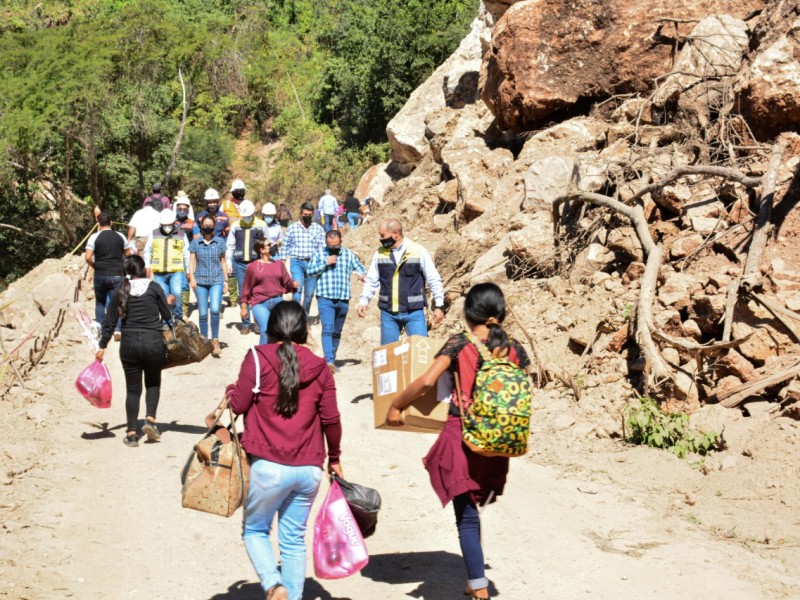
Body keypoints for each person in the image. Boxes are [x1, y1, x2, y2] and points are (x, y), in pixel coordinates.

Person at [385, 283, 530, 600]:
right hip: (498, 439)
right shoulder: (517, 349)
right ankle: (475, 579)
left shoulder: (460, 344)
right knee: (473, 507)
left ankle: (479, 587)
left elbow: (425, 381)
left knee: (465, 513)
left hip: (464, 436)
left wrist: (396, 405)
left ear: (468, 314)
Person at [221, 300, 343, 600]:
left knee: (255, 531)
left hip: (268, 467)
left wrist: (230, 391)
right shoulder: (321, 367)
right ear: (303, 329)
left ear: (270, 327)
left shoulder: (257, 358)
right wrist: (336, 458)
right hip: (310, 470)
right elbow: (331, 419)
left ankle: (275, 586)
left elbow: (238, 406)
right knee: (293, 540)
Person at [95, 255, 172, 448]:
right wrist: (171, 302)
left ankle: (131, 433)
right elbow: (167, 315)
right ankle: (150, 421)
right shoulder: (154, 287)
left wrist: (102, 346)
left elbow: (110, 321)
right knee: (153, 383)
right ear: (144, 270)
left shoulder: (121, 289)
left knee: (132, 389)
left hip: (129, 344)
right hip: (153, 341)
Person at [357, 218, 446, 345]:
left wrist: (439, 305)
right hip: (389, 314)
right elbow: (371, 280)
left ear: (396, 234)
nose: (381, 239)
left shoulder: (418, 251)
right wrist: (363, 301)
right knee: (387, 356)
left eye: (383, 235)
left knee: (421, 351)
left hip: (414, 313)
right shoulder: (380, 254)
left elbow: (433, 279)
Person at [306, 230, 366, 372]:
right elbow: (309, 271)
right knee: (328, 329)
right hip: (325, 297)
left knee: (337, 331)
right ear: (326, 243)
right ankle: (329, 361)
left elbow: (360, 269)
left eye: (336, 245)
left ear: (341, 241)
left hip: (343, 298)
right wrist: (325, 263)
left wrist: (363, 276)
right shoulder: (320, 254)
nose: (333, 248)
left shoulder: (349, 255)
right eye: (330, 245)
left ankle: (331, 357)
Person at [84, 212, 133, 341]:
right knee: (117, 302)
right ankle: (117, 329)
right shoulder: (120, 236)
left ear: (98, 224)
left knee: (100, 302)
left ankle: (101, 328)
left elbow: (88, 257)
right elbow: (128, 254)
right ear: (111, 223)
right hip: (117, 274)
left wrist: (95, 266)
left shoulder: (94, 237)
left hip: (100, 274)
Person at [241, 238, 298, 346]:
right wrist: (244, 307)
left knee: (280, 333)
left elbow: (287, 281)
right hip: (260, 303)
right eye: (269, 245)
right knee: (265, 332)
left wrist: (293, 284)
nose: (272, 246)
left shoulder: (279, 264)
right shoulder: (252, 267)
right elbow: (246, 288)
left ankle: (276, 358)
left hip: (278, 302)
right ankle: (263, 359)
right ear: (261, 250)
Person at [226, 200, 270, 335]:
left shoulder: (261, 225)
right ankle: (245, 323)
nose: (246, 218)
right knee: (243, 294)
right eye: (244, 215)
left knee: (258, 293)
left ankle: (258, 322)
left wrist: (266, 261)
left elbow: (267, 243)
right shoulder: (235, 226)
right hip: (239, 264)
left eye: (248, 215)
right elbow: (230, 245)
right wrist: (228, 262)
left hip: (256, 263)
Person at [189, 214, 227, 357]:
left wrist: (226, 281)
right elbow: (192, 261)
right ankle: (205, 340)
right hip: (200, 281)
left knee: (215, 310)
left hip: (217, 280)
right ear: (202, 226)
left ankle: (215, 340)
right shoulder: (195, 243)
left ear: (214, 226)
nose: (208, 227)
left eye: (211, 224)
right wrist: (192, 278)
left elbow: (223, 261)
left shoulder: (220, 242)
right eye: (206, 224)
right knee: (203, 313)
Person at [279, 202, 325, 317]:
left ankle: (304, 316)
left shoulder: (318, 229)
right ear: (300, 213)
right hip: (297, 262)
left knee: (309, 294)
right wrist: (283, 261)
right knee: (297, 289)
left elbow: (322, 247)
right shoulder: (292, 228)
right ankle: (295, 315)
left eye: (310, 214)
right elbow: (286, 245)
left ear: (313, 214)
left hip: (313, 264)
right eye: (305, 214)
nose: (307, 217)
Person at [144, 209, 190, 321]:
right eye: (164, 225)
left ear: (174, 222)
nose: (167, 227)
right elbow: (148, 250)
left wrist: (188, 270)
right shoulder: (154, 233)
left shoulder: (181, 234)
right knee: (163, 297)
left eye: (169, 224)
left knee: (177, 293)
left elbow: (186, 253)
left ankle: (178, 318)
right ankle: (166, 321)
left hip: (176, 271)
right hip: (159, 273)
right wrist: (147, 266)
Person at [174, 194, 195, 312]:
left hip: (186, 256)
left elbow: (196, 238)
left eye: (185, 209)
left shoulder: (192, 223)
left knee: (185, 282)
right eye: (180, 209)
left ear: (188, 209)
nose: (182, 211)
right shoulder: (170, 222)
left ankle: (184, 309)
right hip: (172, 256)